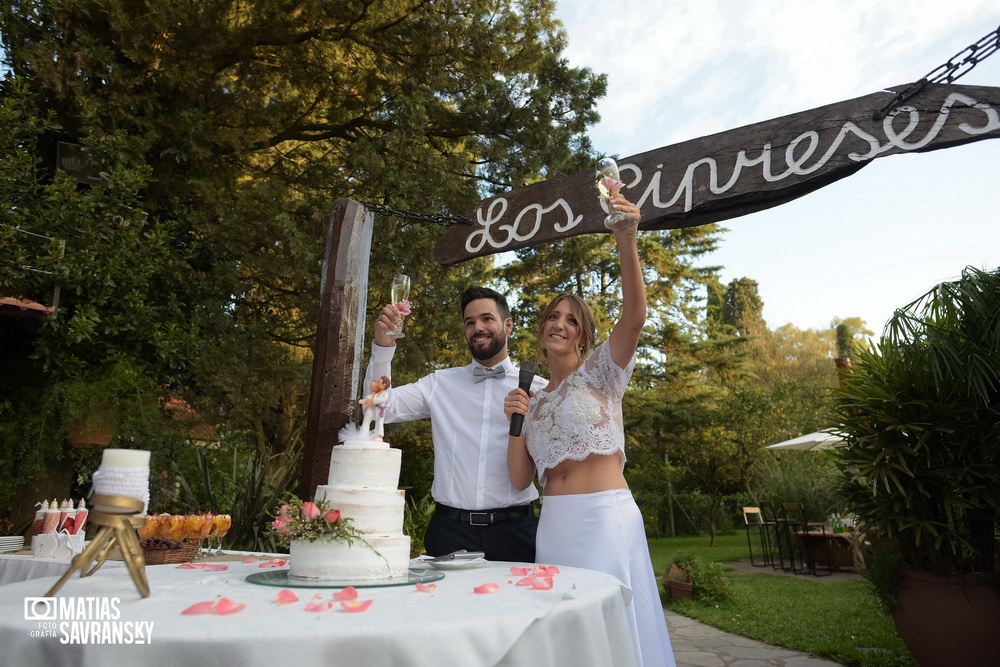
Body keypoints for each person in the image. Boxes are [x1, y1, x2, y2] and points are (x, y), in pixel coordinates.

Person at [503, 193, 676, 667]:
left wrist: (626, 239)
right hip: (554, 526)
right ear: (542, 330)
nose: (559, 324)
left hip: (603, 519)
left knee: (612, 629)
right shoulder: (533, 401)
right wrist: (515, 422)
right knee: (565, 633)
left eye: (571, 319)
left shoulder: (601, 373)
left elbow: (635, 317)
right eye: (553, 317)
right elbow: (520, 480)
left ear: (583, 335)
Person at [362, 286, 546, 562]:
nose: (477, 328)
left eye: (486, 319)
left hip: (517, 531)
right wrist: (383, 349)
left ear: (508, 325)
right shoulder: (439, 384)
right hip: (450, 532)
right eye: (470, 322)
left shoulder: (539, 390)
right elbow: (376, 407)